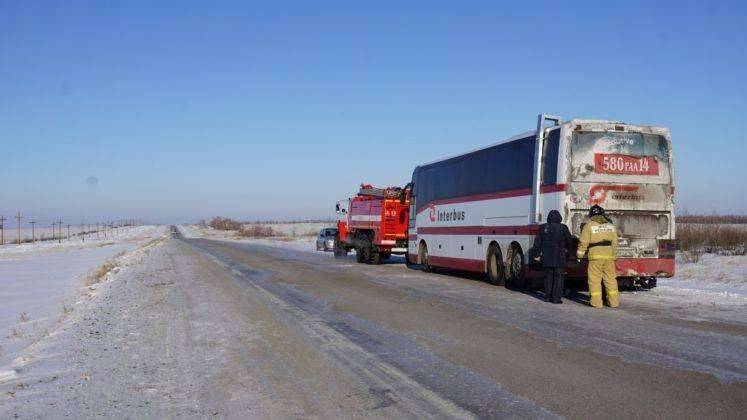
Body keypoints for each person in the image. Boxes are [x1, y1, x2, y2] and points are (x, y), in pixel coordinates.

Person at [576, 205, 619, 308]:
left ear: (591, 215)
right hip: (609, 257)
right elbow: (615, 243)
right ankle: (614, 302)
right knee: (611, 280)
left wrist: (579, 255)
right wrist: (611, 254)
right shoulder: (610, 226)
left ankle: (596, 303)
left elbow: (583, 242)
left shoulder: (589, 226)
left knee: (594, 280)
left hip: (595, 256)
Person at [533, 210, 574, 304]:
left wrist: (536, 254)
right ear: (559, 218)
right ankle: (556, 299)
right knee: (559, 279)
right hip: (560, 257)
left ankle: (547, 297)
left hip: (547, 258)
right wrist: (568, 250)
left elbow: (537, 243)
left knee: (548, 278)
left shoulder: (543, 227)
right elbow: (569, 241)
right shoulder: (563, 227)